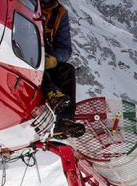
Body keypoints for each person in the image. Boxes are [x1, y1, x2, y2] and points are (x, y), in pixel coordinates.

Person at [40, 0, 82, 137]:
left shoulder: (59, 13)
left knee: (67, 71)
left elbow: (65, 48)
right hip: (19, 51)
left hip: (44, 56)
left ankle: (64, 120)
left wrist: (55, 59)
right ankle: (52, 93)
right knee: (38, 67)